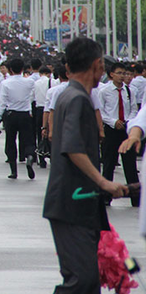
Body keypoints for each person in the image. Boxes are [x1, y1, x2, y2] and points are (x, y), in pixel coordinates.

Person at [44, 37, 126, 293]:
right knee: (82, 281)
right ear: (97, 65)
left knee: (88, 283)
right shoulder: (78, 99)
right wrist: (103, 182)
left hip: (78, 203)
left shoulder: (70, 94)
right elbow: (72, 147)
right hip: (72, 204)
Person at [96, 62, 138, 206]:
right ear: (111, 74)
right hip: (111, 130)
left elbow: (133, 109)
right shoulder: (104, 91)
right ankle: (106, 196)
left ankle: (135, 198)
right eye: (119, 73)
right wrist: (113, 121)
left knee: (130, 165)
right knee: (108, 164)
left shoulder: (129, 91)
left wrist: (128, 121)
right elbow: (101, 111)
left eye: (124, 73)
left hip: (126, 130)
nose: (122, 76)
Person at [0, 58, 37, 180]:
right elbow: (32, 97)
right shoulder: (29, 82)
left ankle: (13, 171)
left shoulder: (5, 83)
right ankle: (29, 157)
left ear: (10, 70)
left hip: (11, 115)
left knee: (11, 141)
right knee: (28, 139)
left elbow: (2, 103)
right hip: (25, 115)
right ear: (23, 69)